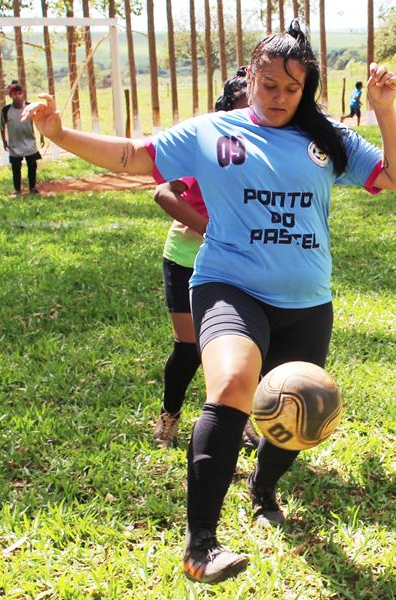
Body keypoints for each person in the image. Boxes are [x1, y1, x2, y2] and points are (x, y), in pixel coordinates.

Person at [21, 20, 396, 585]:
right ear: (249, 76)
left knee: (299, 412)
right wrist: (59, 132)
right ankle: (200, 545)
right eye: (269, 83)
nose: (278, 97)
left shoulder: (327, 141)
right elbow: (133, 154)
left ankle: (263, 486)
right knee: (232, 384)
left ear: (305, 91)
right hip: (228, 283)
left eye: (292, 89)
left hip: (306, 300)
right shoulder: (213, 132)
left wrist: (384, 109)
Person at [152, 68, 260, 453]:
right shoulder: (207, 144)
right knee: (190, 349)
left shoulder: (267, 149)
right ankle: (170, 415)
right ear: (226, 110)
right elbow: (164, 193)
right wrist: (212, 227)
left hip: (238, 262)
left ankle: (238, 421)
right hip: (187, 259)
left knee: (245, 346)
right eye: (243, 107)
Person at [0, 81, 43, 196]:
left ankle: (32, 188)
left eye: (19, 93)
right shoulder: (6, 110)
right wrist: (4, 141)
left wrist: (42, 136)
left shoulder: (30, 107)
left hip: (30, 142)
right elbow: (2, 127)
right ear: (11, 96)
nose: (17, 96)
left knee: (32, 166)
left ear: (22, 94)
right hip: (15, 144)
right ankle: (17, 190)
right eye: (15, 94)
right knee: (16, 168)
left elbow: (39, 122)